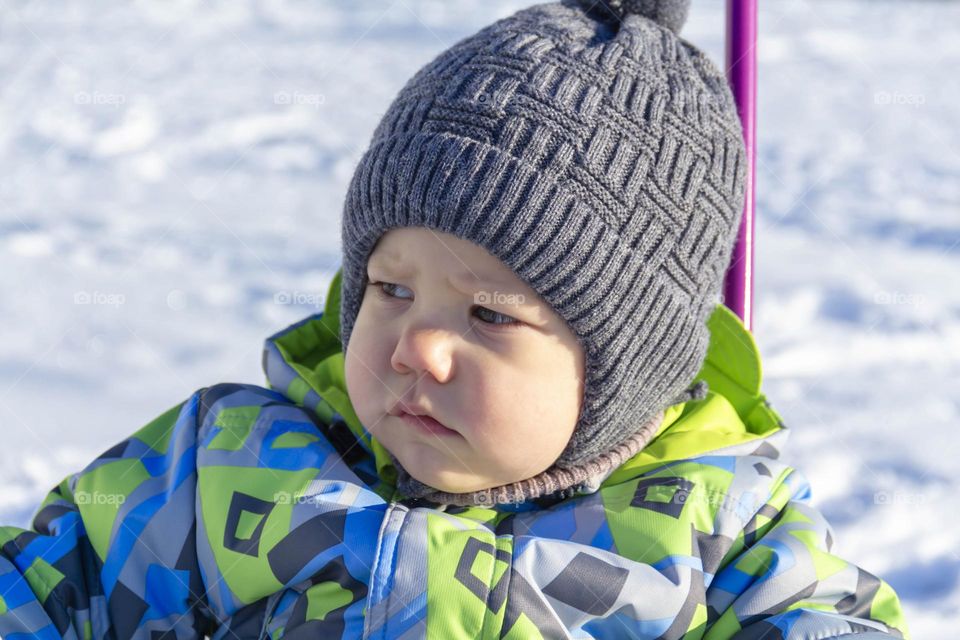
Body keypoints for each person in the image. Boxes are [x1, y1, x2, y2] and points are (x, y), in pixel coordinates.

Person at [0, 0, 910, 638]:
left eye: (488, 315)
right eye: (391, 290)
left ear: (623, 373)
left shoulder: (714, 531)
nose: (418, 346)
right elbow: (45, 585)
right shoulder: (226, 463)